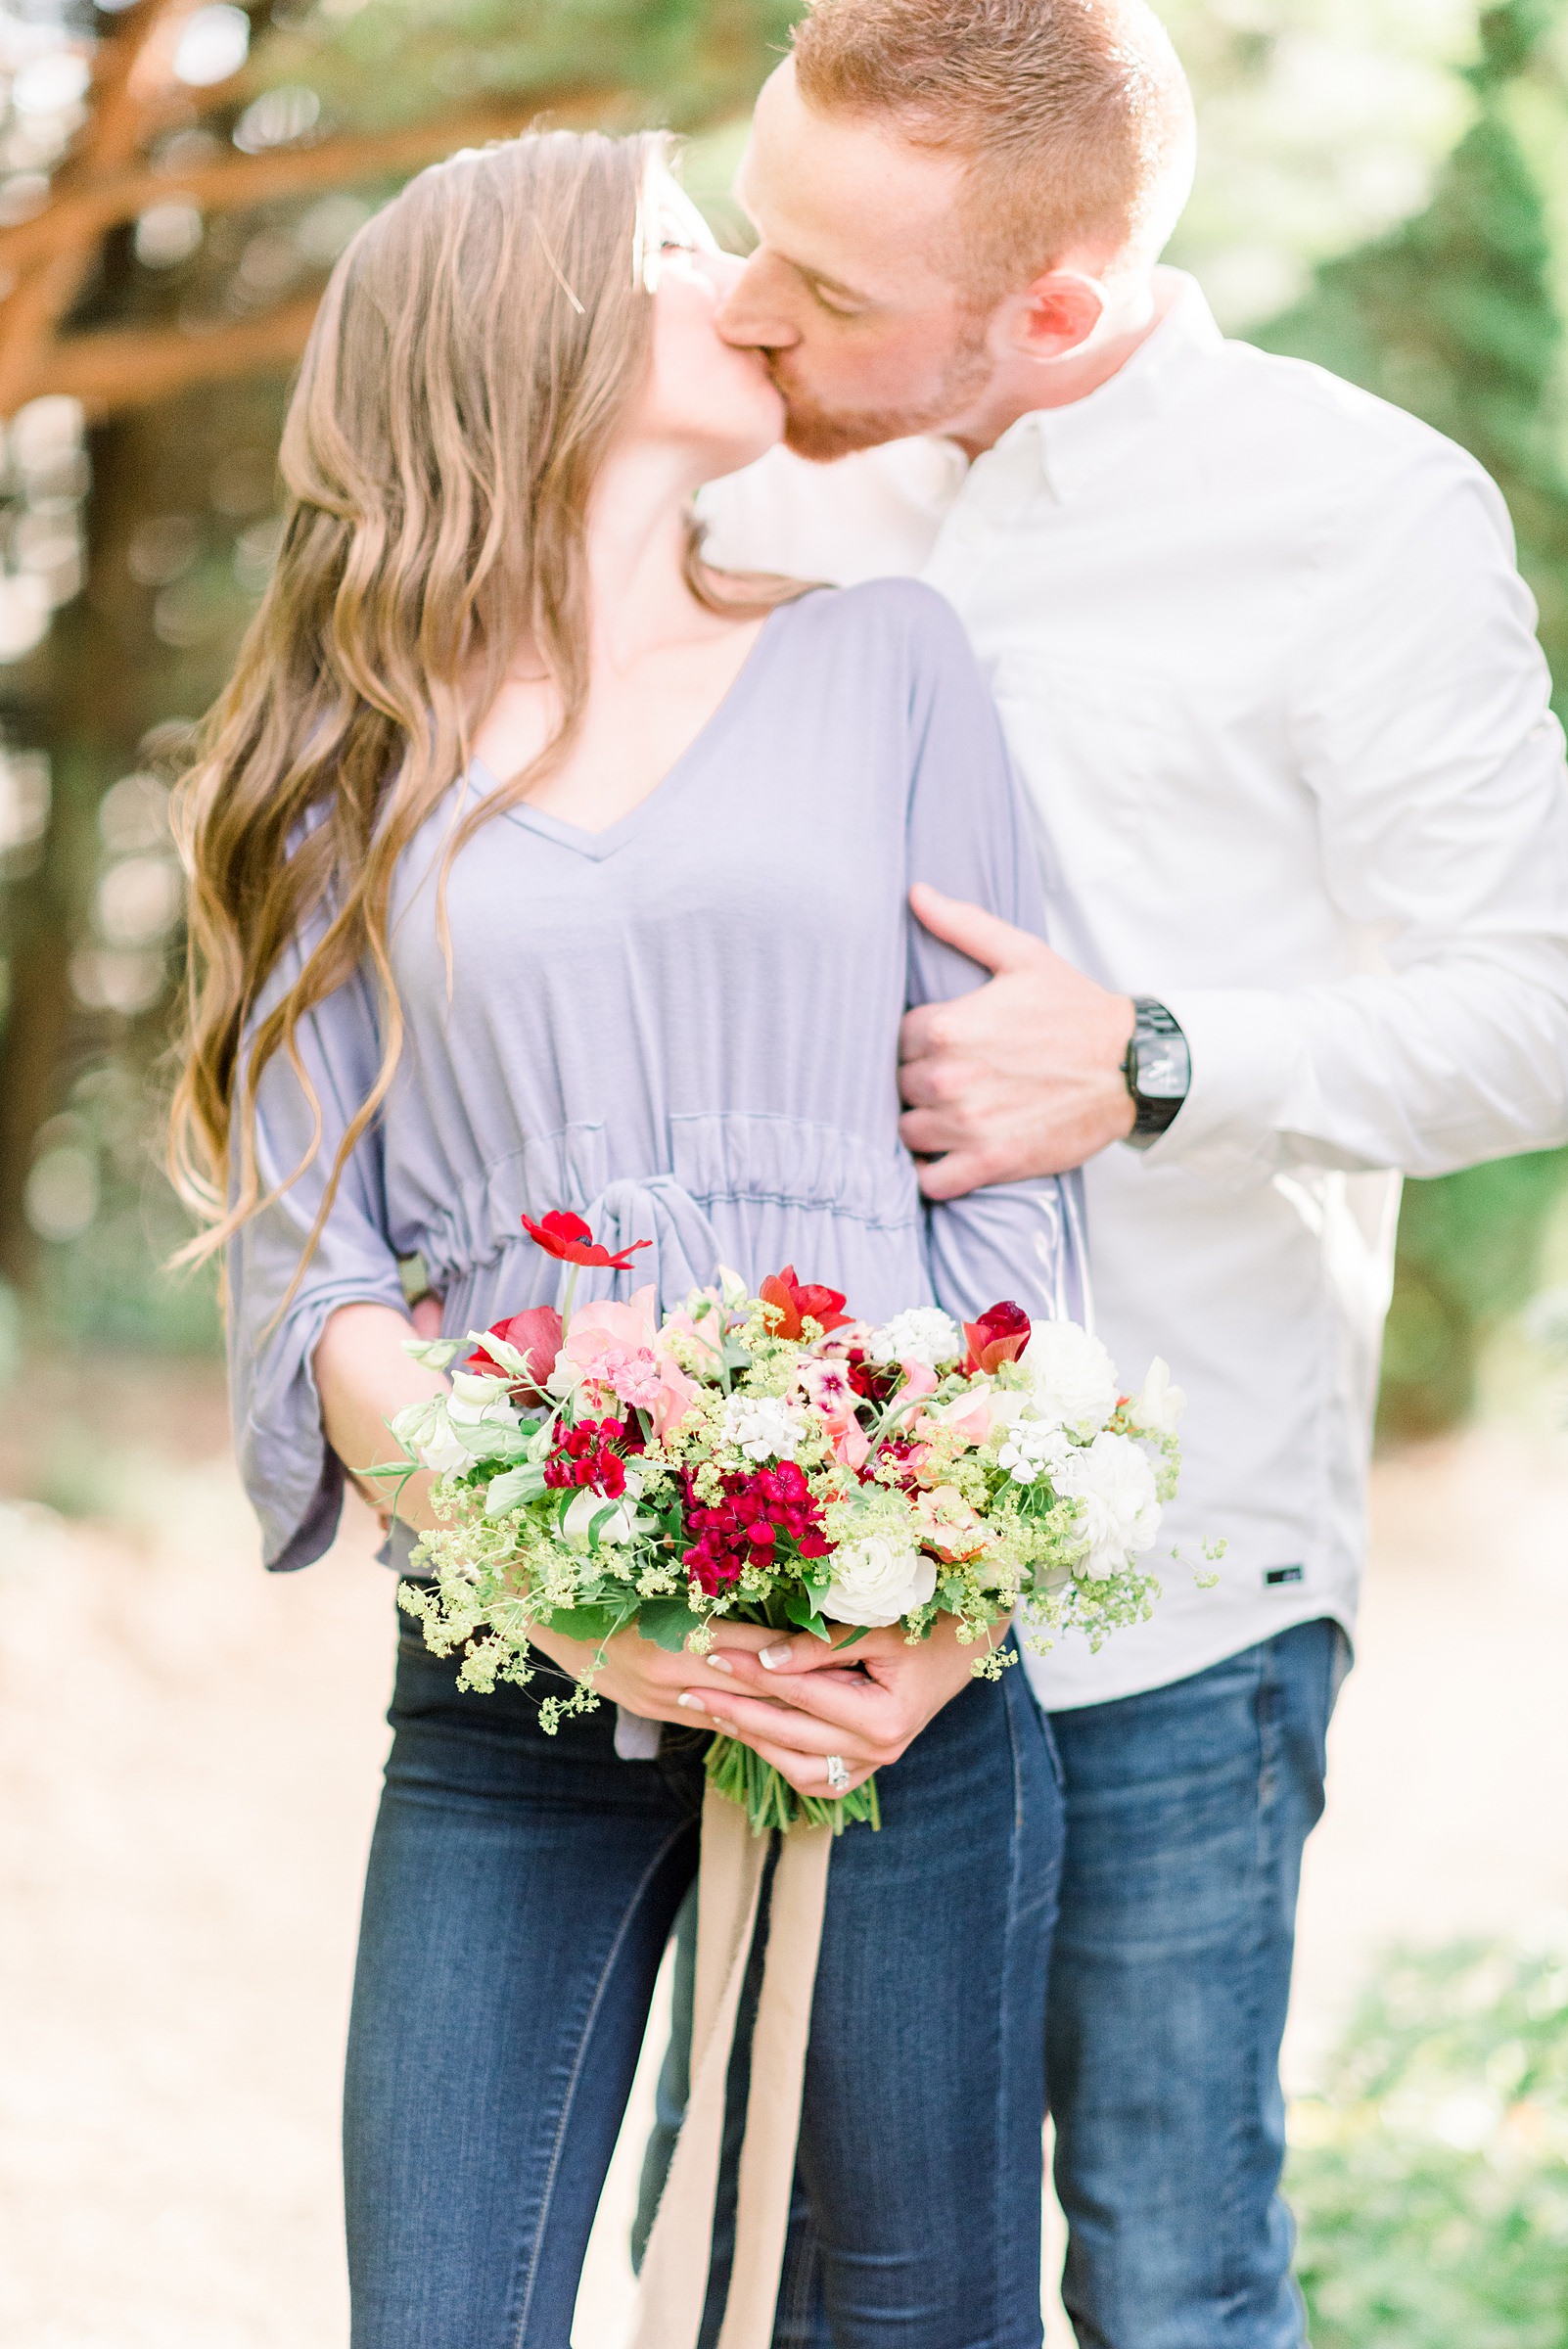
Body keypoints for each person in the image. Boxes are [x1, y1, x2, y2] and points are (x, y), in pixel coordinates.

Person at [673, 3, 1568, 2342]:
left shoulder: (1353, 514)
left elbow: (1543, 1002)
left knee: (1169, 2280)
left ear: (1056, 309)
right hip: (777, 1570)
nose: (754, 307)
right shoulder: (722, 462)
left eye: (833, 287)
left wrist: (1156, 1060)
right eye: (754, 229)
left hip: (1172, 1587)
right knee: (766, 2265)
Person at [169, 128, 1083, 2349]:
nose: (758, 285)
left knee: (910, 2320)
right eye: (691, 248)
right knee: (446, 2316)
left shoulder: (890, 662)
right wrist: (578, 1612)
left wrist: (941, 1617)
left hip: (900, 1668)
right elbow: (319, 1282)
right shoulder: (329, 778)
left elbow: (1016, 1191)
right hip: (517, 1686)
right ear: (536, 325)